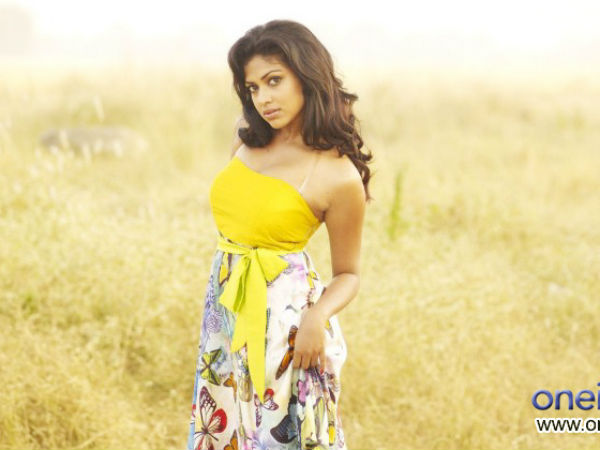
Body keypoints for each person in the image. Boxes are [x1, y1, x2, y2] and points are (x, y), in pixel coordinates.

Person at [187, 19, 373, 450]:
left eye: (274, 81)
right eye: (253, 87)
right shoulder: (246, 139)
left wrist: (317, 318)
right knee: (225, 427)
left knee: (280, 436)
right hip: (226, 305)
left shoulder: (338, 175)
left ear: (307, 75)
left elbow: (349, 274)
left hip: (288, 324)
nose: (264, 98)